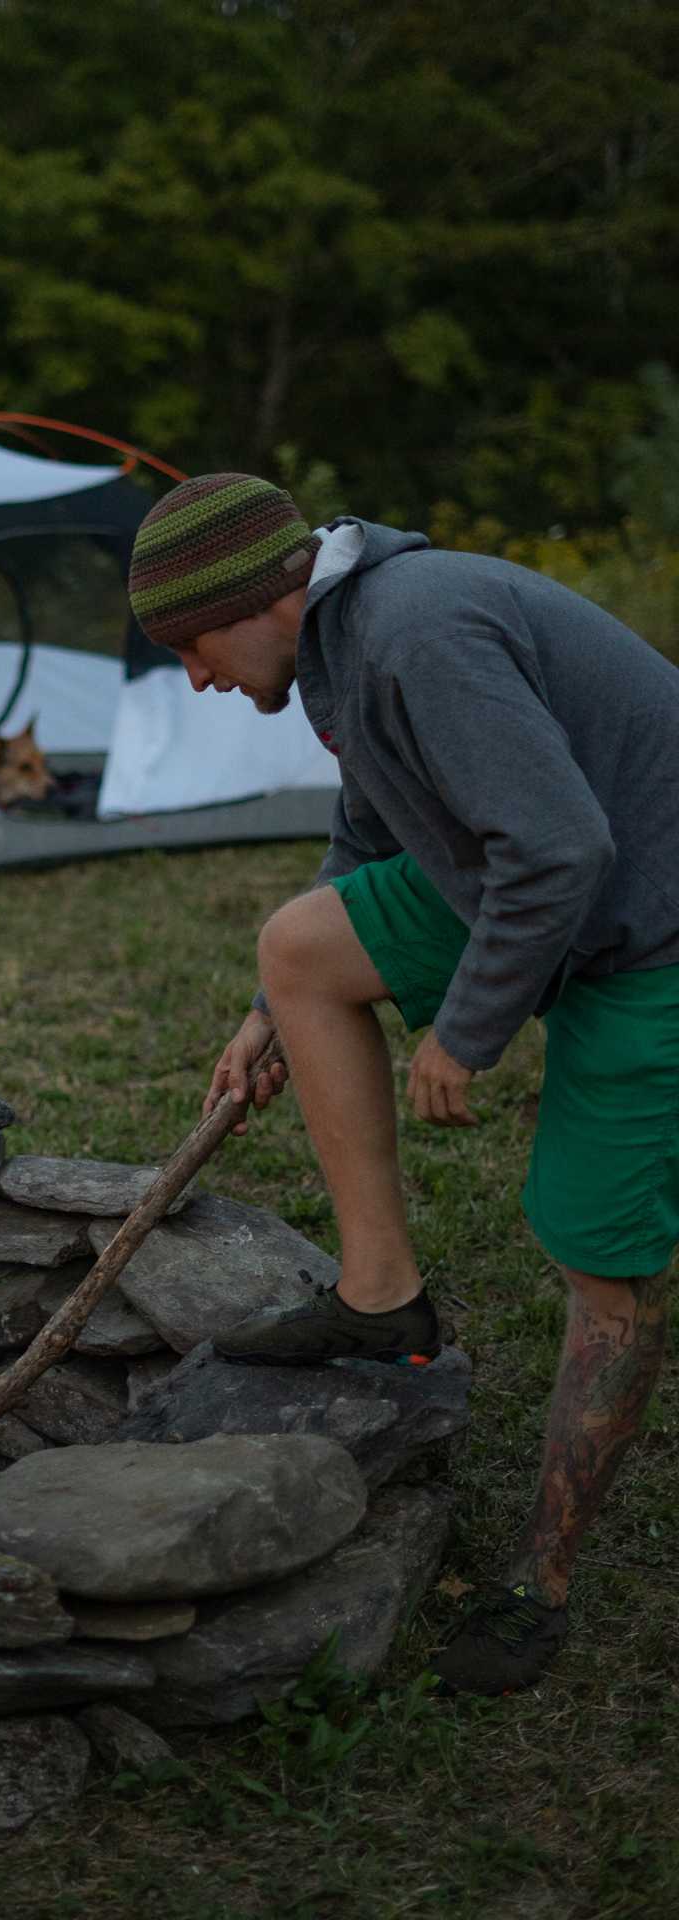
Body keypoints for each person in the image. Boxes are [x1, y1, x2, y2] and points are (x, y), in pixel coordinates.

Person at [127, 473, 679, 1696]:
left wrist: (464, 1032)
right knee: (297, 946)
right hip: (535, 889)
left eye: (190, 645)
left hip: (651, 925)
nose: (197, 678)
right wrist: (276, 1007)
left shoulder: (417, 628)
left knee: (599, 1255)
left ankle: (537, 1581)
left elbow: (563, 846)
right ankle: (380, 1300)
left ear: (252, 597)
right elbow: (372, 832)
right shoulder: (340, 646)